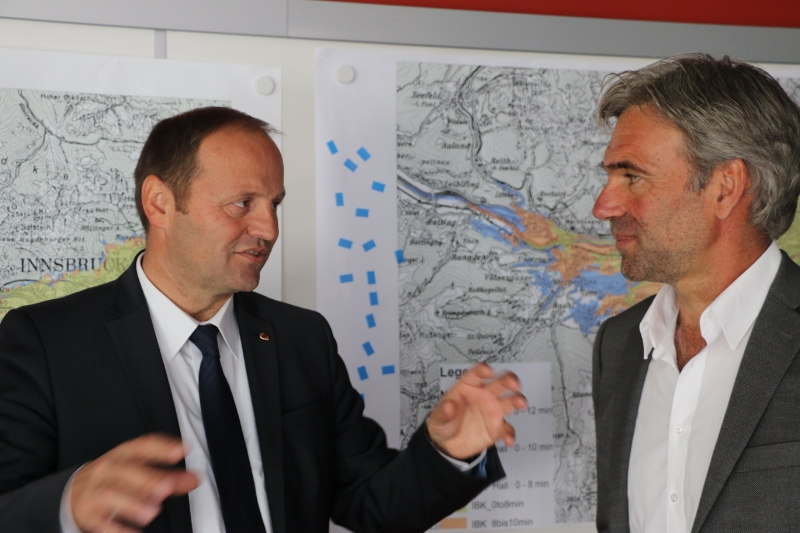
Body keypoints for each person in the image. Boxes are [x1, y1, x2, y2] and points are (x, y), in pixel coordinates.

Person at [0, 107, 527, 533]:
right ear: (159, 203)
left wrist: (448, 453)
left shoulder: (302, 338)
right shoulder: (44, 343)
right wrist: (67, 504)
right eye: (242, 203)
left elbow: (370, 504)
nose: (269, 229)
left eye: (274, 203)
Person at [591, 54, 800, 533]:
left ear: (725, 188)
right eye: (609, 177)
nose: (604, 206)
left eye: (632, 176)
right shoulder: (618, 347)